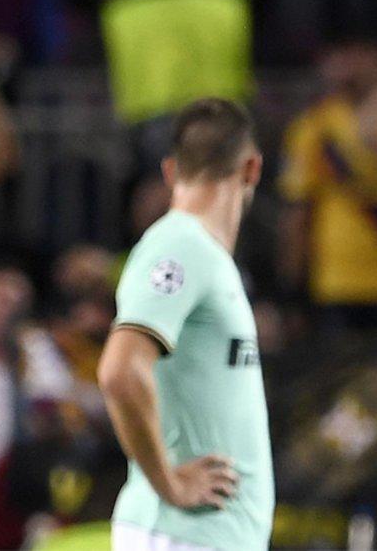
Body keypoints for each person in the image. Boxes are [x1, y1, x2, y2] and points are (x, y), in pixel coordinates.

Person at [97, 98, 274, 550]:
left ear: (171, 171)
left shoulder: (204, 256)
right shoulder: (179, 244)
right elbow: (119, 371)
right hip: (182, 533)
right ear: (251, 169)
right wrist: (170, 485)